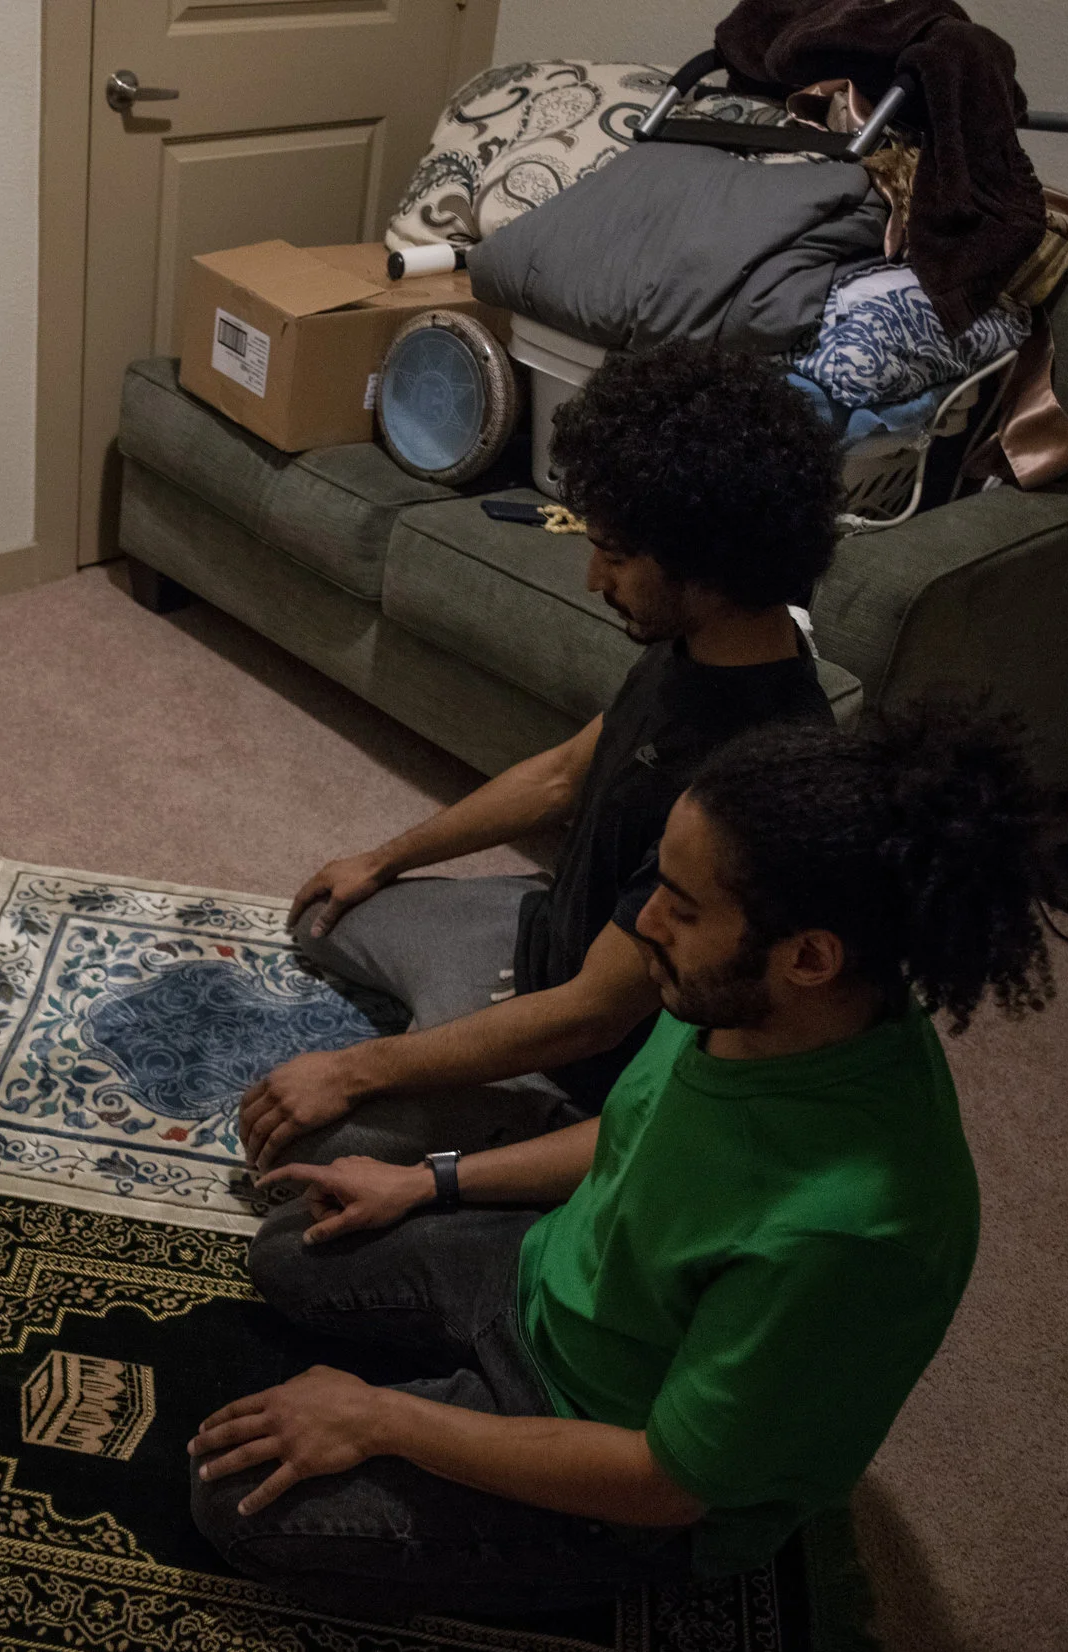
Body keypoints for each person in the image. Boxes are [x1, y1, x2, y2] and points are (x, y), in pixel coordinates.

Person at [188, 702, 1053, 1618]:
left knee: (228, 1501)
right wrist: (424, 1181)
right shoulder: (751, 1011)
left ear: (808, 957)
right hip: (552, 1279)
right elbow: (638, 1133)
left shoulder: (856, 1231)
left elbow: (664, 1485)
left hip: (617, 1466)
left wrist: (384, 1420)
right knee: (290, 1247)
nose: (642, 925)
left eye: (681, 907)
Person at [238, 341, 847, 1173]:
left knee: (304, 1152)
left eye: (617, 555)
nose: (594, 576)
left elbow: (592, 1016)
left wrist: (350, 1071)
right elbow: (565, 774)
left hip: (571, 1046)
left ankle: (523, 1138)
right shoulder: (698, 643)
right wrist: (382, 859)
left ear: (706, 566)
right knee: (320, 915)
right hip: (539, 928)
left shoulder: (760, 776)